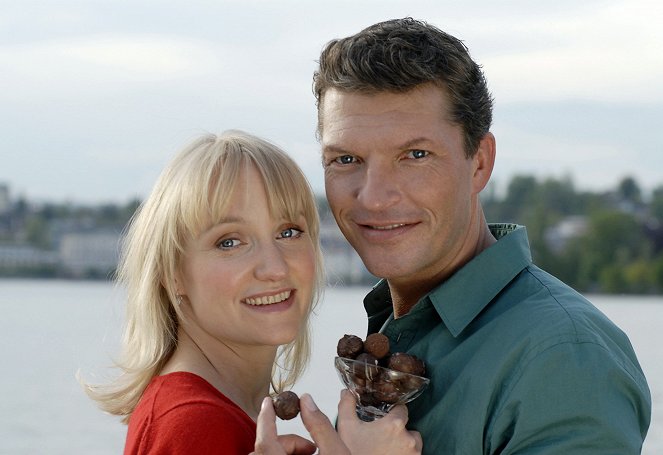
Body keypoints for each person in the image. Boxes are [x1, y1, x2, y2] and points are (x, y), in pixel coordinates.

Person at [312, 17, 652, 454]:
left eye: (415, 155)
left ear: (479, 163)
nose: (374, 198)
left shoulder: (563, 357)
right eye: (345, 159)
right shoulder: (399, 324)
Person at [83, 130, 422, 454]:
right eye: (229, 242)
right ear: (172, 274)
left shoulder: (221, 414)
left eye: (289, 232)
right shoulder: (193, 425)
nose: (274, 267)